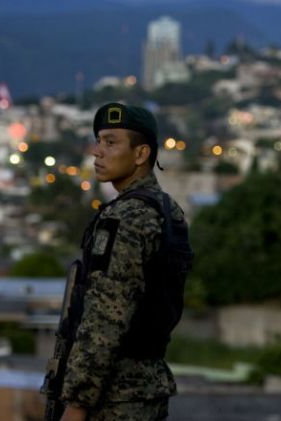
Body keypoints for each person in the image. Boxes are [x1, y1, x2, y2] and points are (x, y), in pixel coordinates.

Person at [58, 102, 190, 421]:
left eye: (111, 142)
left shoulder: (125, 218)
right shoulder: (168, 210)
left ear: (141, 154)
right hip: (147, 387)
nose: (97, 152)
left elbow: (106, 317)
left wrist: (76, 404)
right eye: (98, 141)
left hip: (115, 398)